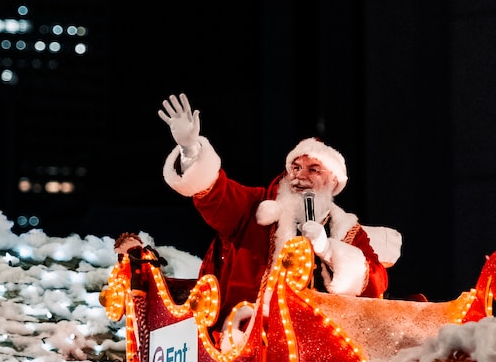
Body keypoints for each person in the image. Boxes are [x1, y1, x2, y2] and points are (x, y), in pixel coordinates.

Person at [158, 92, 399, 331]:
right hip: (251, 334)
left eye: (314, 169)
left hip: (322, 336)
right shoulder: (255, 207)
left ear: (333, 182)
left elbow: (376, 283)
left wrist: (327, 249)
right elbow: (216, 195)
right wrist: (190, 150)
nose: (300, 175)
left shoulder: (349, 232)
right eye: (295, 167)